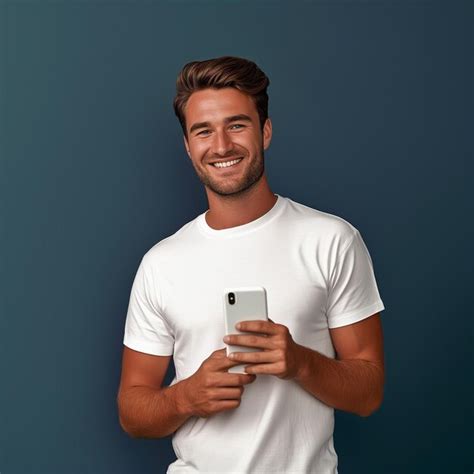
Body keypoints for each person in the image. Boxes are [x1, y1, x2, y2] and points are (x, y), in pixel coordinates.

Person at [117, 56, 385, 473]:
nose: (221, 145)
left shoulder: (332, 240)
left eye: (237, 125)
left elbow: (369, 393)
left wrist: (300, 362)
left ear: (266, 131)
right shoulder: (161, 263)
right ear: (188, 147)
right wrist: (185, 397)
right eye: (203, 131)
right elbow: (132, 411)